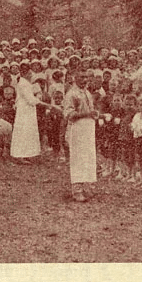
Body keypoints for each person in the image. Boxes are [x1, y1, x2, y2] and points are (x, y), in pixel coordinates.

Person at [63, 70, 98, 202]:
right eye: (81, 77)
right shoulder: (72, 94)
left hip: (88, 128)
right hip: (77, 128)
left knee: (89, 156)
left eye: (86, 77)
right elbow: (69, 114)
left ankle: (87, 187)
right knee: (78, 157)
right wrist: (87, 114)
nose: (85, 80)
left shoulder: (87, 92)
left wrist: (93, 114)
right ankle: (77, 190)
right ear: (75, 78)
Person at [10, 60, 51, 164]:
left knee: (28, 132)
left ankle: (27, 154)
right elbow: (31, 100)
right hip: (24, 111)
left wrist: (37, 93)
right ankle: (19, 156)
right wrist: (48, 105)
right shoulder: (23, 84)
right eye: (29, 73)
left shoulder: (27, 83)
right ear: (24, 73)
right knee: (23, 132)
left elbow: (35, 93)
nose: (30, 75)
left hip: (28, 111)